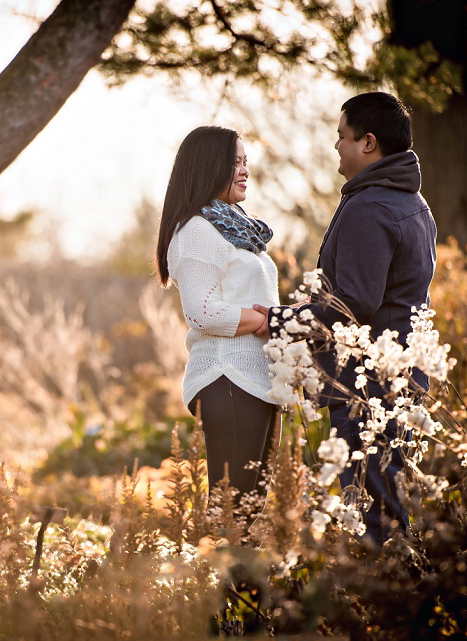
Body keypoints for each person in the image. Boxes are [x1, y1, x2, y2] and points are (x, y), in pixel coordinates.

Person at [257, 92, 437, 544]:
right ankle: (399, 599)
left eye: (341, 136)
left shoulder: (369, 208)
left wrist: (277, 321)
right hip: (401, 378)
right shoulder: (413, 204)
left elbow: (352, 305)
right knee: (391, 507)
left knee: (375, 517)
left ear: (368, 143)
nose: (335, 146)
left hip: (368, 386)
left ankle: (391, 606)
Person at [155, 125, 281, 525]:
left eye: (245, 162)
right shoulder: (196, 230)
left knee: (249, 513)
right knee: (232, 513)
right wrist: (267, 320)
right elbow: (203, 311)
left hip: (256, 381)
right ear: (209, 166)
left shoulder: (237, 229)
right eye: (234, 163)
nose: (244, 171)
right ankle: (211, 586)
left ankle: (236, 586)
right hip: (227, 378)